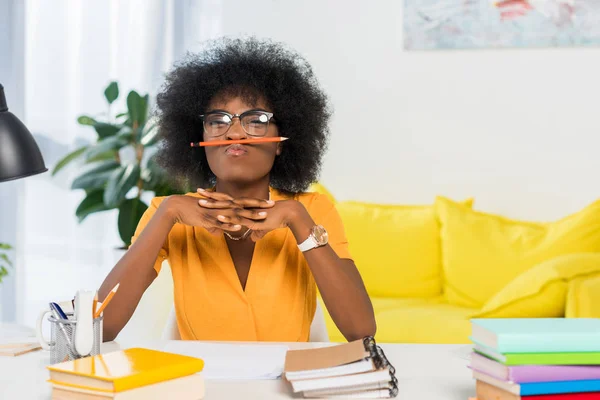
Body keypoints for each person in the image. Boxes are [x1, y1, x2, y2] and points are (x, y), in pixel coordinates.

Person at [98, 37, 376, 342]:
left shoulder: (312, 211)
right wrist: (167, 215)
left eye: (255, 120)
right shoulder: (168, 214)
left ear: (282, 141)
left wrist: (298, 220)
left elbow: (360, 329)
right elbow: (102, 325)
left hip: (285, 386)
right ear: (198, 139)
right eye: (217, 120)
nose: (234, 132)